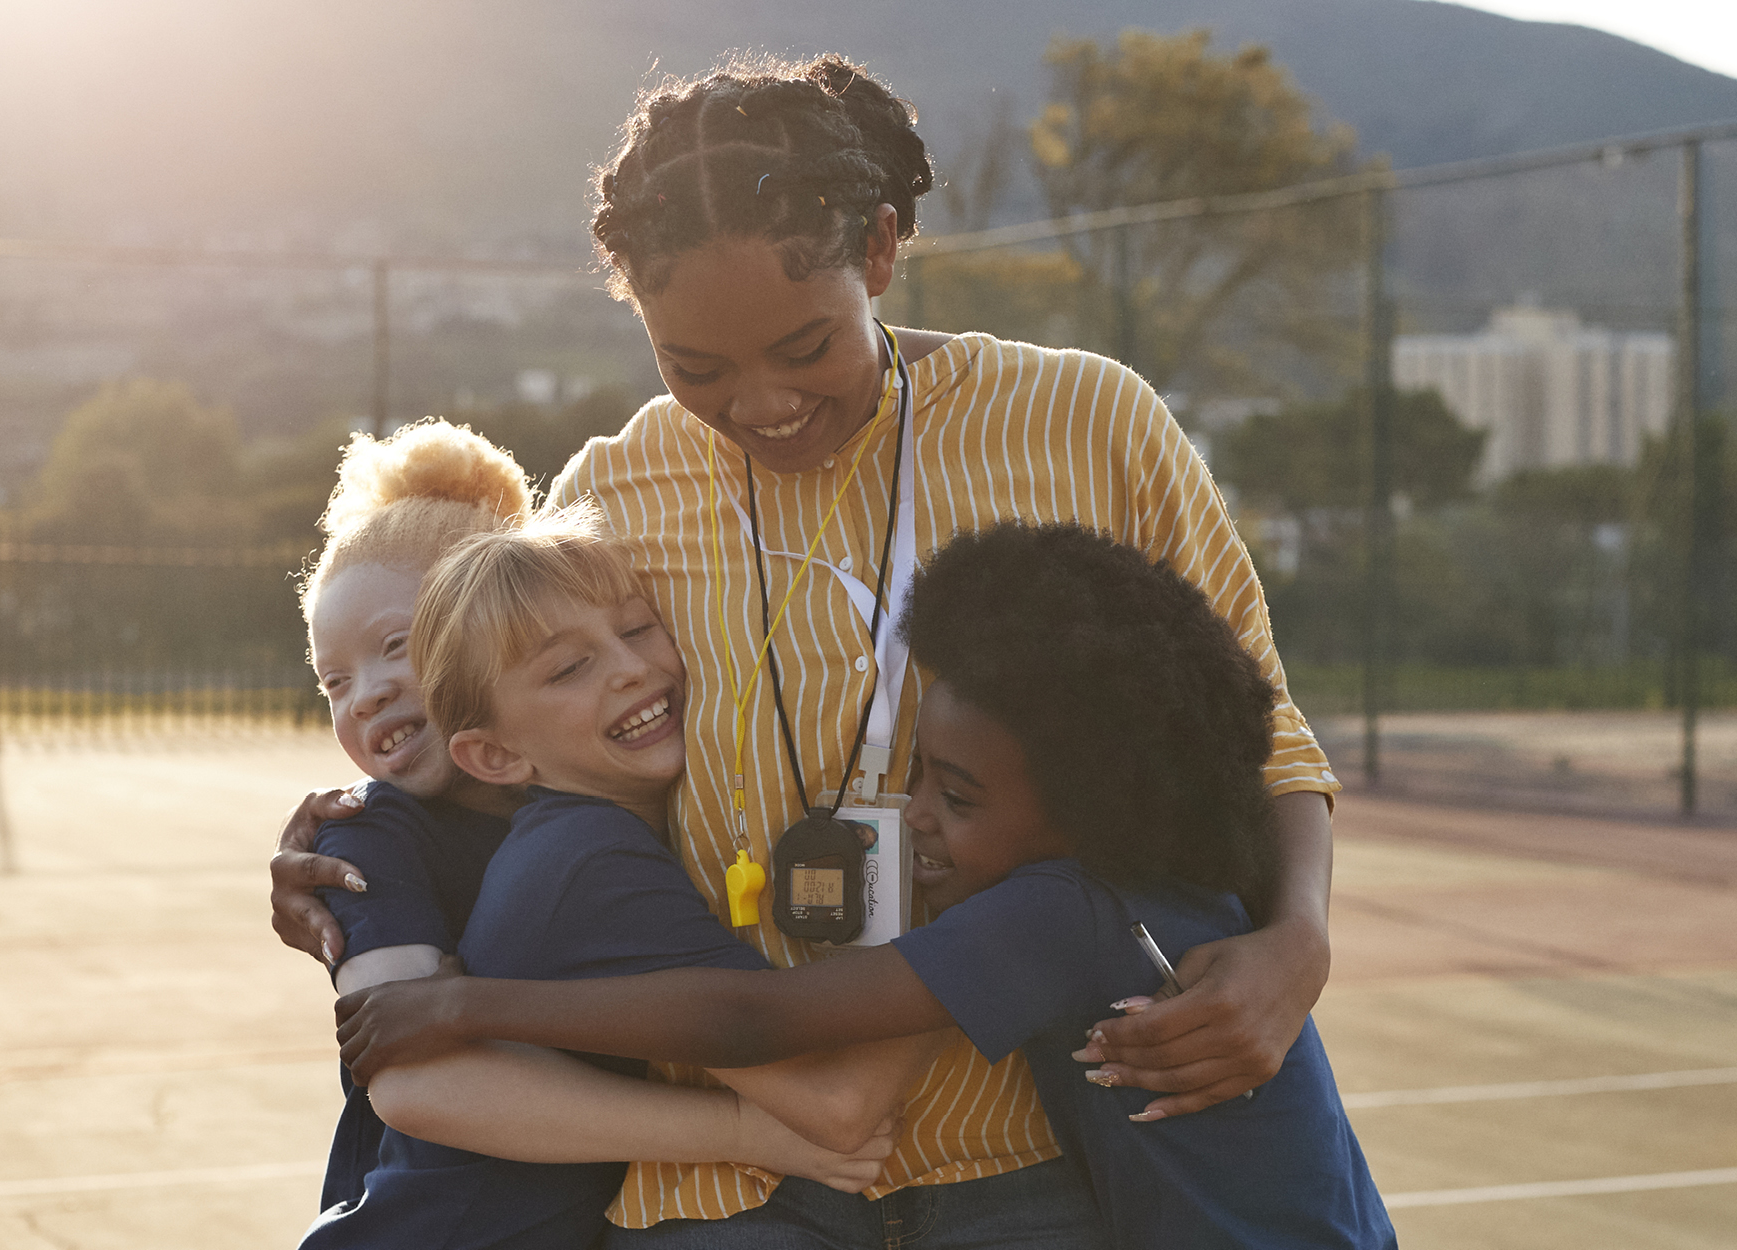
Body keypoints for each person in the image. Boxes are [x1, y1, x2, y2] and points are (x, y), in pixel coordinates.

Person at [275, 54, 1342, 1245]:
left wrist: (1294, 940)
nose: (760, 402)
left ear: (879, 250)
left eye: (803, 346)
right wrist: (354, 840)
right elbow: (503, 730)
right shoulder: (612, 491)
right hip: (720, 1190)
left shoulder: (1086, 422)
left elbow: (1261, 729)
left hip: (1032, 1155)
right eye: (697, 368)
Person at [339, 522, 1397, 1249]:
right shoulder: (582, 861)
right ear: (492, 755)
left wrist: (473, 999)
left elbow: (771, 1022)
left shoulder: (1064, 908)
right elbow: (828, 1090)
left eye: (634, 628)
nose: (628, 667)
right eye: (567, 667)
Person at [293, 421, 900, 1248]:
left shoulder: (586, 801)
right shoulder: (375, 833)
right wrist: (747, 1132)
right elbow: (415, 1089)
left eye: (397, 646)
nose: (362, 695)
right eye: (333, 680)